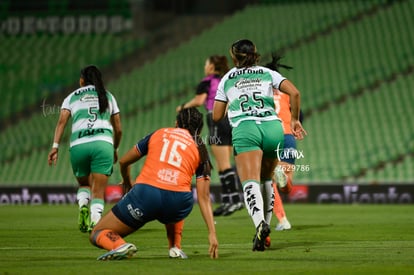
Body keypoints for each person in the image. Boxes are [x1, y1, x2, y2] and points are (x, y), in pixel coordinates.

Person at [89, 107, 219, 260]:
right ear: (199, 128)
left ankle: (118, 245)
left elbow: (124, 161)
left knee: (98, 232)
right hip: (179, 203)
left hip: (146, 196)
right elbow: (203, 198)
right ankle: (175, 248)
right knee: (178, 187)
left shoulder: (159, 133)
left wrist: (127, 181)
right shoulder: (201, 149)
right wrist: (212, 234)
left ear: (176, 123)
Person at [213, 39, 306, 251]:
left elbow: (217, 116)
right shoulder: (267, 73)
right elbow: (295, 93)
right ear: (255, 54)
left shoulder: (227, 78)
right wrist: (294, 120)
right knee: (266, 179)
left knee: (250, 181)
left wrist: (232, 101)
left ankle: (259, 225)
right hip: (273, 128)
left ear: (235, 57)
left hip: (246, 129)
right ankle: (265, 233)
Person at [48, 65, 122, 233]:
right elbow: (118, 129)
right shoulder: (108, 96)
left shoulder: (72, 97)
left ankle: (82, 206)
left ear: (82, 80)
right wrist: (115, 148)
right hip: (103, 143)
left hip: (79, 144)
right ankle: (95, 223)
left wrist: (55, 147)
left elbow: (61, 123)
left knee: (84, 184)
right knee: (98, 191)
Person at [177, 55, 243, 216]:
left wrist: (182, 107)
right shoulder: (227, 79)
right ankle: (229, 200)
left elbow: (199, 101)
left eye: (207, 63)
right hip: (231, 118)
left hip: (216, 118)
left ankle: (234, 200)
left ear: (212, 66)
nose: (205, 66)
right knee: (225, 162)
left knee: (223, 163)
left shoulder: (207, 82)